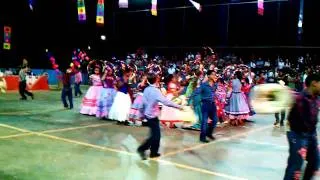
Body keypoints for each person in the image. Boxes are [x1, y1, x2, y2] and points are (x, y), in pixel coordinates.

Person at [137, 73, 184, 160]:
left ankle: (153, 152)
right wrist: (179, 106)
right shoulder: (155, 91)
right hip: (152, 116)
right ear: (156, 80)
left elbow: (142, 103)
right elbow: (166, 102)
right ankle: (142, 149)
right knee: (155, 136)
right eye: (158, 79)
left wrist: (140, 114)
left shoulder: (147, 89)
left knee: (155, 135)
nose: (159, 81)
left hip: (148, 115)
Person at [284, 74, 320, 180]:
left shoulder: (316, 97)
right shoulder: (299, 98)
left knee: (314, 162)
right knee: (295, 167)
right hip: (297, 135)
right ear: (314, 83)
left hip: (311, 134)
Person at [192, 70, 218, 143]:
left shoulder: (215, 85)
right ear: (208, 76)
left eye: (215, 74)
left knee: (215, 120)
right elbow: (196, 92)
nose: (214, 76)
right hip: (206, 104)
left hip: (212, 104)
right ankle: (202, 137)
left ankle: (209, 133)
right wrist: (190, 99)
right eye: (213, 74)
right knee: (204, 122)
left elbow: (214, 93)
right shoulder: (203, 85)